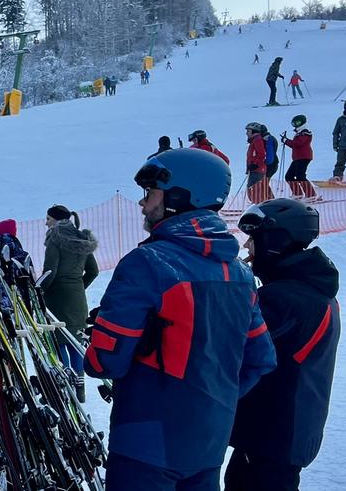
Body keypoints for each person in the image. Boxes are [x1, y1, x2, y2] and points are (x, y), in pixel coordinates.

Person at [86, 149, 276, 491]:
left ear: (180, 196)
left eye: (150, 193)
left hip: (145, 443)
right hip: (209, 441)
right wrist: (215, 397)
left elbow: (104, 361)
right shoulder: (239, 274)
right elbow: (261, 359)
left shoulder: (147, 263)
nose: (143, 205)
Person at [228, 199, 340, 491]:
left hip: (272, 433)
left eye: (255, 239)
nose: (248, 249)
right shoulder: (311, 291)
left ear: (276, 242)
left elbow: (229, 345)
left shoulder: (285, 299)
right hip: (284, 431)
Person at [41, 205, 98, 396]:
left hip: (57, 298)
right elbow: (93, 271)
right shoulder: (81, 238)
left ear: (56, 220)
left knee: (59, 342)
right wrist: (79, 286)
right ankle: (79, 385)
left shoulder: (55, 239)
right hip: (78, 299)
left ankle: (64, 386)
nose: (46, 222)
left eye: (48, 219)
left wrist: (38, 293)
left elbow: (50, 272)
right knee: (75, 341)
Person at [282, 115, 316, 200]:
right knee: (289, 176)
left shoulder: (305, 132)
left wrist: (286, 141)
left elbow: (298, 143)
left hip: (304, 157)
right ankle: (298, 193)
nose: (295, 125)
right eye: (294, 123)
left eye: (297, 123)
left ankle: (311, 194)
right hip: (297, 158)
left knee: (300, 176)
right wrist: (287, 141)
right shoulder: (299, 133)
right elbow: (295, 145)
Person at [246, 123, 275, 203]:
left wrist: (255, 164)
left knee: (252, 189)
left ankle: (259, 205)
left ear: (254, 131)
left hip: (257, 169)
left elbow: (262, 154)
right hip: (257, 169)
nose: (247, 133)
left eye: (248, 131)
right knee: (259, 189)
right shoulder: (255, 140)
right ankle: (268, 203)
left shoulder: (257, 140)